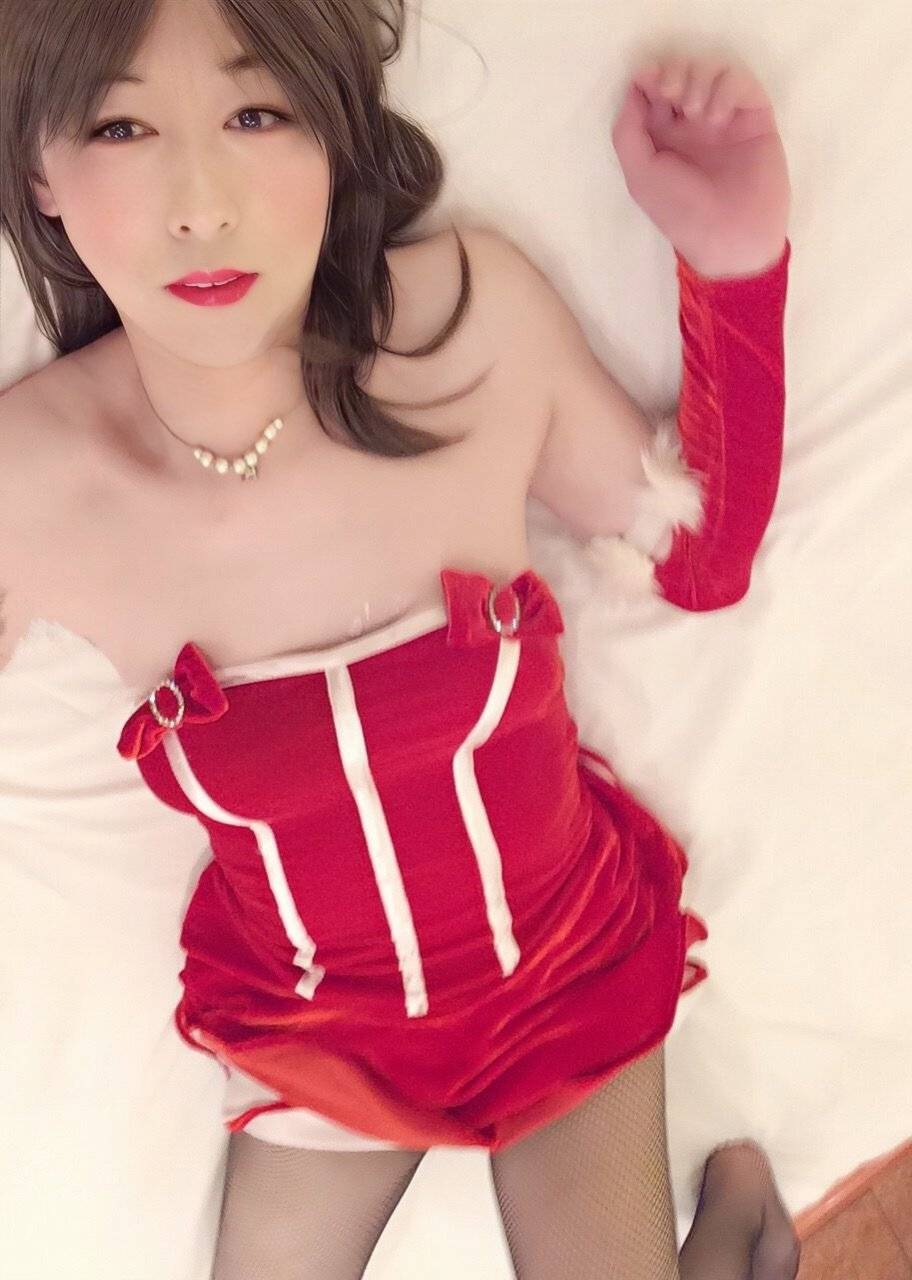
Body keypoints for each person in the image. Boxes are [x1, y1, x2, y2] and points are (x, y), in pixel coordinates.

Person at [0, 0, 802, 1276]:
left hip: (563, 960)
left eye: (256, 111)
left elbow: (698, 563)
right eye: (120, 127)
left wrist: (737, 263)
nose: (201, 205)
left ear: (332, 127)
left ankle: (745, 1220)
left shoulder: (466, 323)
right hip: (319, 1030)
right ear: (38, 171)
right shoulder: (28, 479)